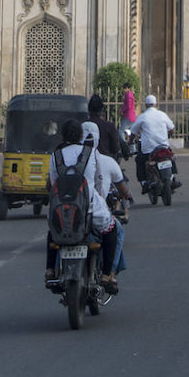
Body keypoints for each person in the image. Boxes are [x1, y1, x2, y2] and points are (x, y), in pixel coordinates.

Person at [46, 119, 120, 293]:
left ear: (62, 136)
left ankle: (50, 269)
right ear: (80, 135)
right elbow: (99, 180)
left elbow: (52, 183)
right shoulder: (91, 153)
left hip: (61, 208)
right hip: (90, 205)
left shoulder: (55, 155)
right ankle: (107, 274)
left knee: (52, 231)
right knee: (112, 229)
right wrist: (101, 198)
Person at [80, 121, 130, 274]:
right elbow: (123, 190)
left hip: (74, 211)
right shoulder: (108, 162)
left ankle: (54, 270)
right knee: (117, 231)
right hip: (97, 212)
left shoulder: (70, 157)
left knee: (60, 236)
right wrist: (126, 199)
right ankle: (111, 274)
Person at [133, 94, 180, 190]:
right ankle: (173, 177)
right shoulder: (162, 115)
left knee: (139, 160)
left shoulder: (143, 117)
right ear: (156, 104)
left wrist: (129, 141)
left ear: (146, 105)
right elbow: (171, 128)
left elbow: (133, 132)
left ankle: (144, 182)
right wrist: (169, 135)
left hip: (148, 150)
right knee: (170, 156)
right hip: (163, 147)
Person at [87, 93, 125, 164]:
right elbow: (115, 148)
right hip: (105, 161)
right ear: (101, 109)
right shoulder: (109, 126)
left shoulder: (83, 125)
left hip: (86, 163)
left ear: (88, 109)